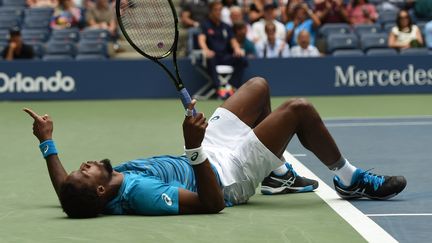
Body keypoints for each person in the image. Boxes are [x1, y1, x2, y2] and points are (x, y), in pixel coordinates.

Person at [24, 77, 407, 218]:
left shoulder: (91, 191)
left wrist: (47, 141)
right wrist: (194, 149)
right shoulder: (143, 195)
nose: (86, 164)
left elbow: (65, 191)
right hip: (227, 176)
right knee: (299, 110)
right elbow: (212, 203)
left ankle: (275, 175)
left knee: (257, 87)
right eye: (85, 171)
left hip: (207, 152)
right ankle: (348, 178)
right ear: (101, 190)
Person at [198, 1, 247, 99]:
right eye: (216, 10)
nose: (218, 12)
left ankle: (231, 87)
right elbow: (201, 39)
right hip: (213, 57)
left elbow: (233, 41)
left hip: (225, 56)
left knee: (242, 59)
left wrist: (237, 49)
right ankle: (219, 89)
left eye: (220, 10)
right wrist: (206, 50)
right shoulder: (205, 25)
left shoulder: (226, 26)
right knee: (211, 58)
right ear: (211, 12)